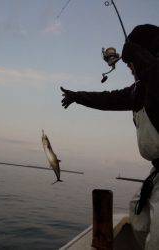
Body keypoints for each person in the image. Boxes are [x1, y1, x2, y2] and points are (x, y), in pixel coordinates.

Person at [60, 24, 159, 250]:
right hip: (157, 172)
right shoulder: (137, 91)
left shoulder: (155, 80)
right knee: (139, 216)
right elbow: (107, 99)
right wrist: (77, 96)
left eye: (131, 61)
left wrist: (133, 51)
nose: (130, 67)